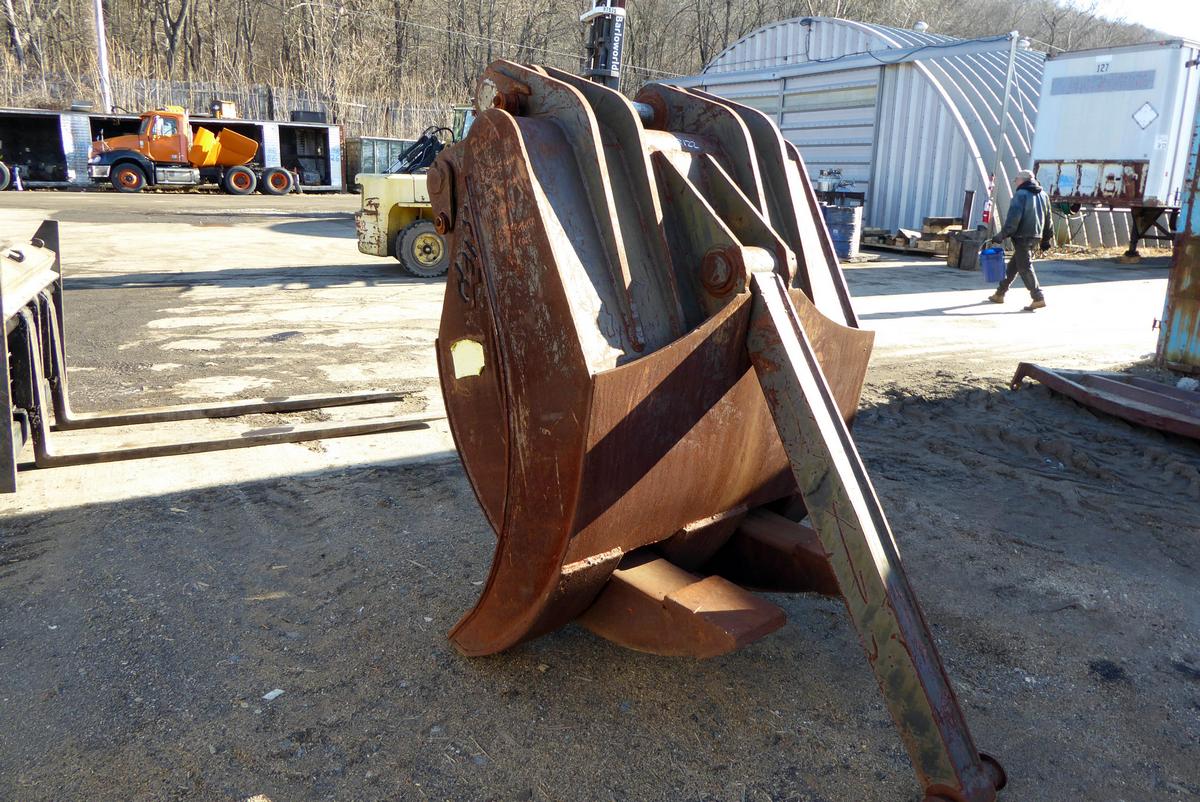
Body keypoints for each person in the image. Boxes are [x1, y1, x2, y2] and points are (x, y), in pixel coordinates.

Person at [987, 169, 1054, 311]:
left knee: (1024, 267)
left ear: (1022, 180)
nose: (1015, 183)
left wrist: (1001, 235)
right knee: (1013, 266)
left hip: (1022, 236)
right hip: (1036, 236)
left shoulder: (1021, 194)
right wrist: (1046, 239)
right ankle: (1000, 294)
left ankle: (1038, 297)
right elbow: (1048, 219)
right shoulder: (1043, 195)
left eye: (1016, 180)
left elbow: (1013, 219)